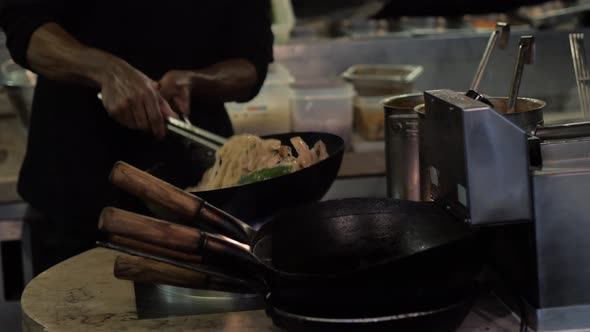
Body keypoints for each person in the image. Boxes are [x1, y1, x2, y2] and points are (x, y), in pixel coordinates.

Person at [0, 0, 274, 276]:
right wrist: (105, 70)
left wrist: (195, 80)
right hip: (74, 188)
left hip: (200, 199)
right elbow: (25, 25)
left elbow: (252, 61)